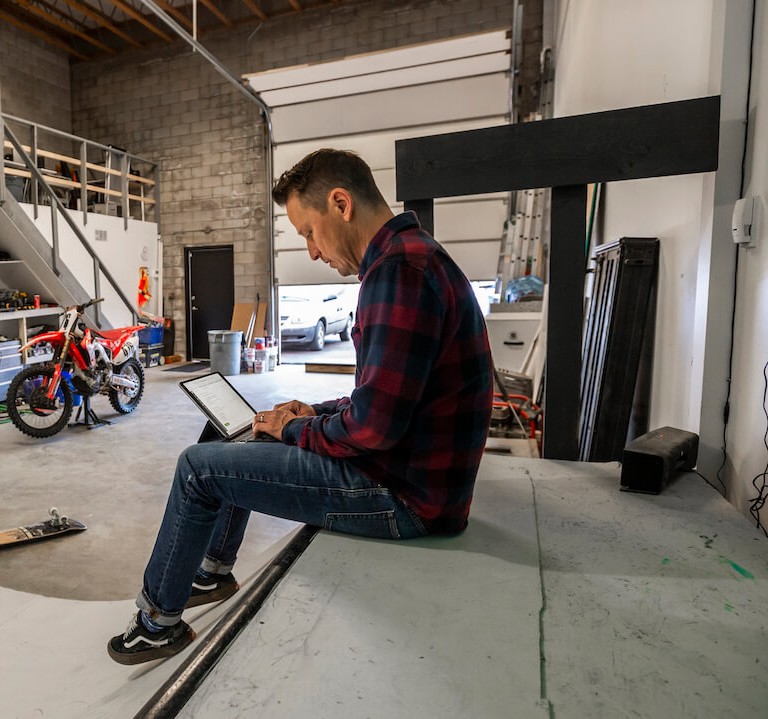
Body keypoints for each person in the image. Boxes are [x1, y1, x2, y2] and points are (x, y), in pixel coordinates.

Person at [107, 149, 493, 665]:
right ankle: (211, 572)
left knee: (197, 470)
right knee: (236, 432)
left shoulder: (398, 273)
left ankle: (157, 624)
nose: (311, 252)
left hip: (406, 498)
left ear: (341, 204)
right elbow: (385, 397)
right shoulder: (411, 258)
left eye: (309, 232)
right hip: (415, 478)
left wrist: (293, 432)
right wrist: (310, 412)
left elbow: (374, 428)